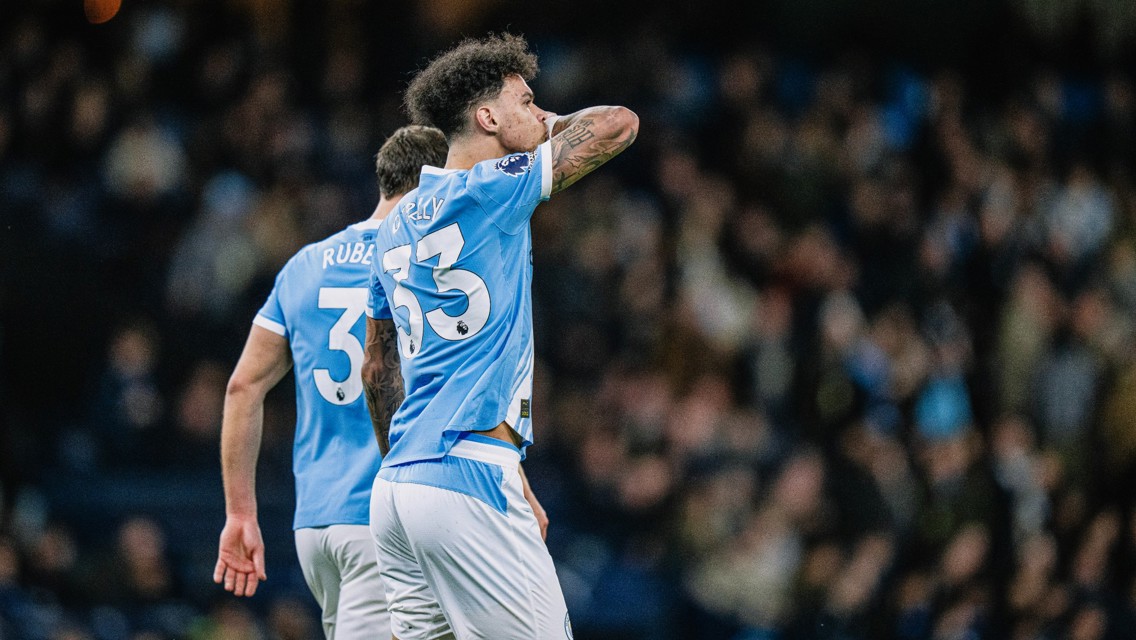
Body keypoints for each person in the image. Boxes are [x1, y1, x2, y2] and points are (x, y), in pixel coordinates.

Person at [362, 33, 638, 639]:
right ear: (486, 117)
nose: (539, 112)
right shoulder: (492, 189)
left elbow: (378, 374)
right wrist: (554, 126)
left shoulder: (390, 230)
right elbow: (619, 123)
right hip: (466, 476)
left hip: (398, 490)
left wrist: (421, 476)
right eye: (527, 101)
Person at [213, 126, 448, 639]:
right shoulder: (424, 266)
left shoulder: (303, 266)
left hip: (317, 525)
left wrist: (239, 512)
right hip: (383, 522)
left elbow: (242, 388)